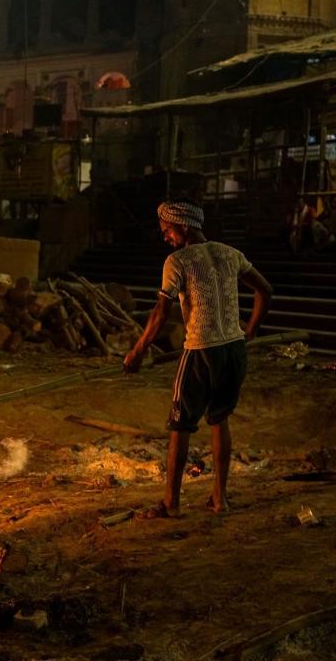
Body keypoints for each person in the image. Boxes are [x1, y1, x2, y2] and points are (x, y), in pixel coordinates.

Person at [123, 199, 273, 517]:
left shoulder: (177, 260)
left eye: (167, 231)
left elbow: (161, 311)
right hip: (233, 350)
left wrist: (137, 351)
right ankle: (220, 500)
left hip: (200, 350)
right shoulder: (230, 254)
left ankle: (171, 504)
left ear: (184, 226)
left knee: (180, 424)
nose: (165, 237)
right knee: (220, 420)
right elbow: (265, 290)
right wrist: (251, 330)